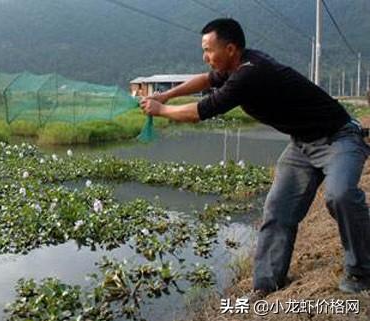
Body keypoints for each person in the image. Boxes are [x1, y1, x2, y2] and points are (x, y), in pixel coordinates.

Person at [140, 18, 370, 300]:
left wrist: (160, 109)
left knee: (340, 195)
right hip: (302, 144)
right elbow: (204, 80)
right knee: (277, 207)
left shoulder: (250, 74)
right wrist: (167, 94)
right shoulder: (234, 67)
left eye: (209, 50)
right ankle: (267, 283)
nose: (206, 57)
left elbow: (200, 111)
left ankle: (361, 271)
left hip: (339, 137)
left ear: (231, 49)